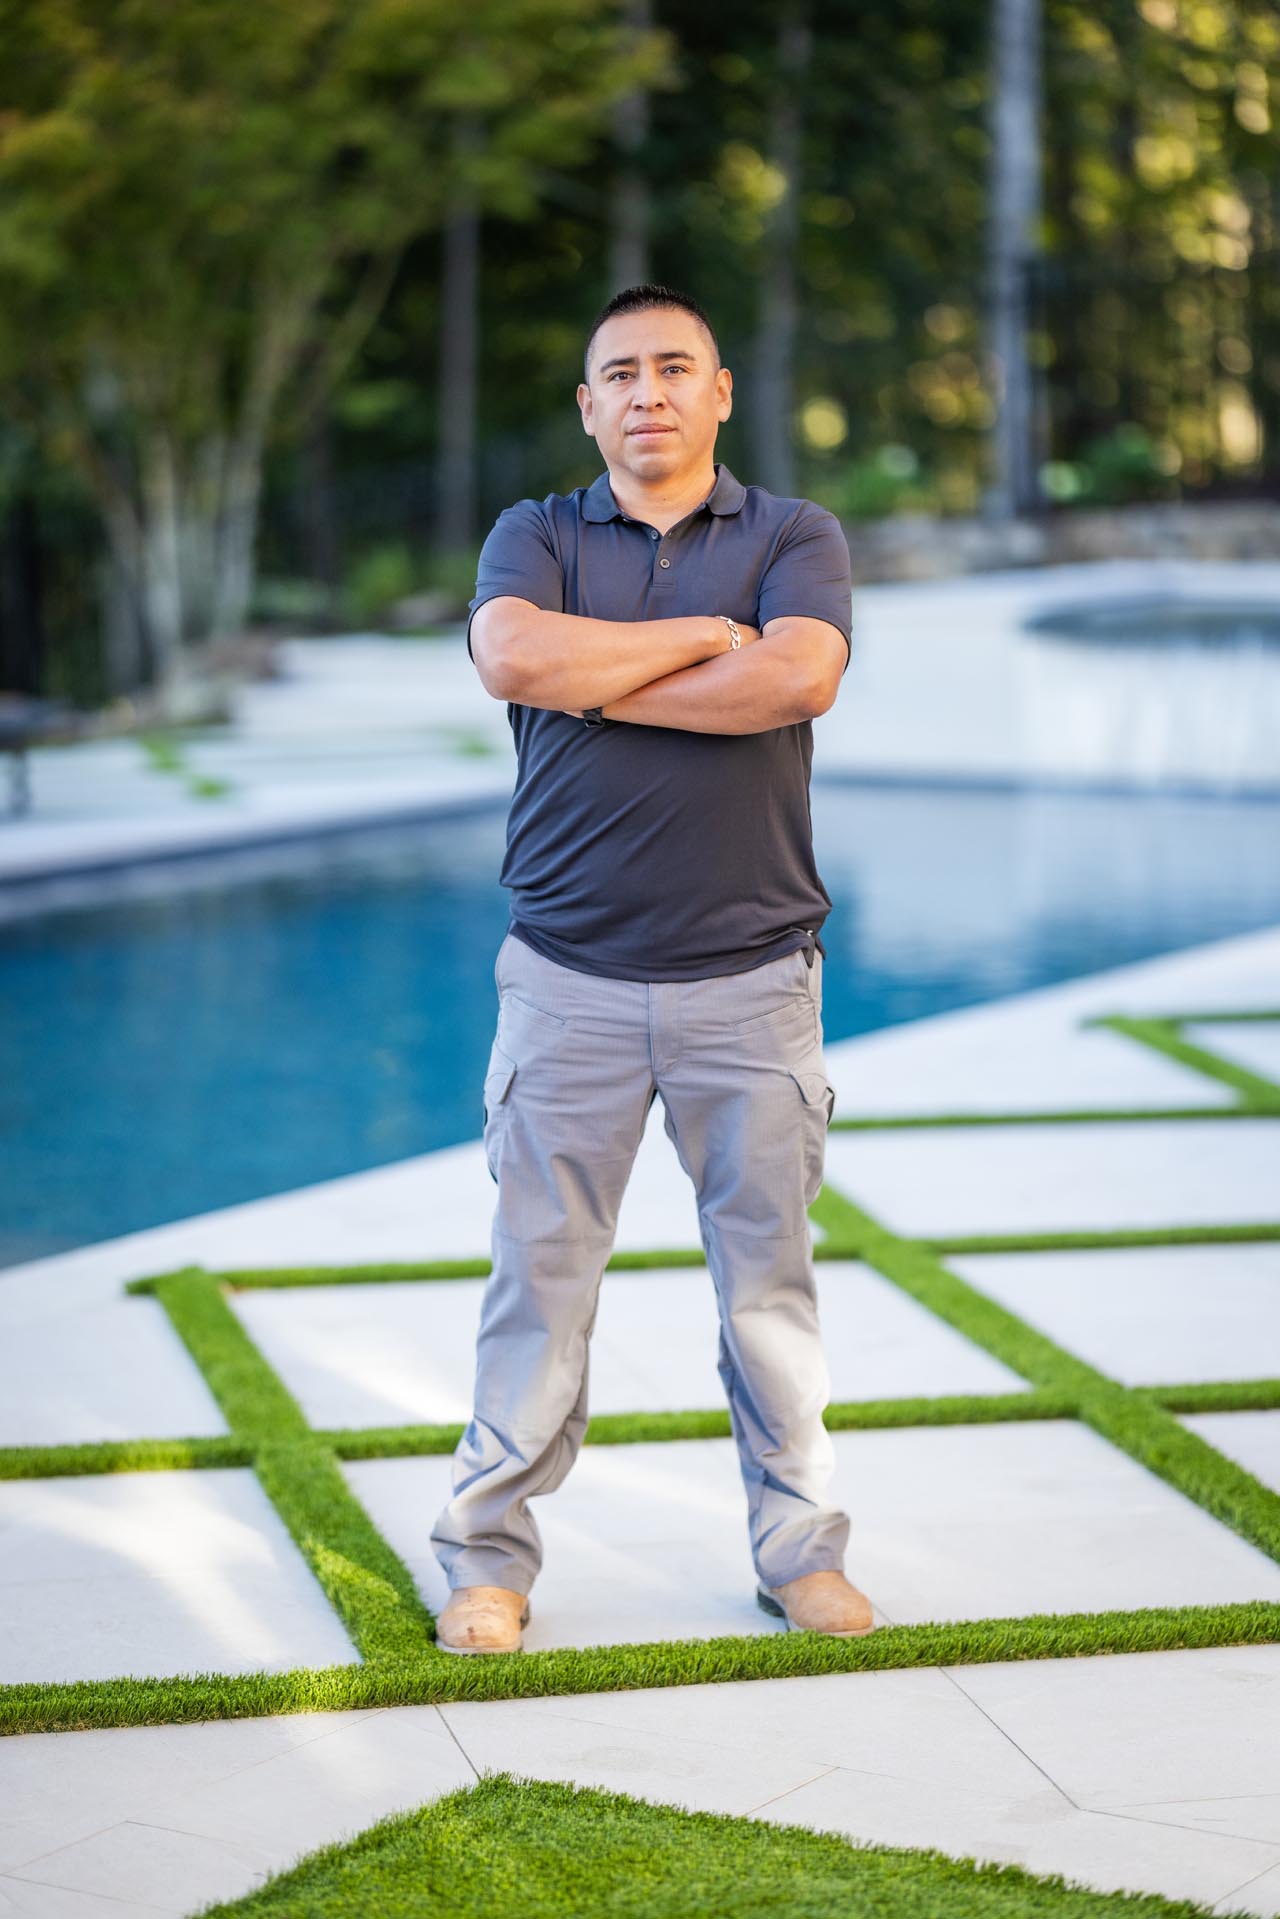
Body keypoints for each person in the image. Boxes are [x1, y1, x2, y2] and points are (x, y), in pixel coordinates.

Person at [430, 281, 874, 1654]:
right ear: (589, 405)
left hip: (750, 979)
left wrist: (593, 675)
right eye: (618, 373)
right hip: (565, 977)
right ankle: (487, 1564)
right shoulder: (537, 535)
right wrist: (694, 640)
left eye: (674, 368)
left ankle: (800, 1554)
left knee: (769, 1299)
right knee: (538, 1288)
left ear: (721, 391)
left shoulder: (797, 534)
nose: (647, 392)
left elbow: (797, 681)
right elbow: (508, 652)